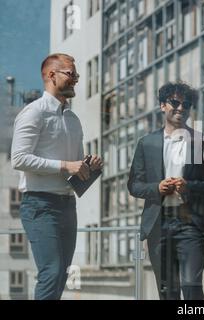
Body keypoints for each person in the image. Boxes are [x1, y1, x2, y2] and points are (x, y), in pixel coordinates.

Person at [10, 53, 103, 300]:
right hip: (39, 205)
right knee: (51, 272)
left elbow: (76, 166)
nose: (75, 80)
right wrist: (65, 165)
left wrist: (88, 165)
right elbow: (19, 158)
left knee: (62, 273)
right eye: (71, 74)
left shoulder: (73, 120)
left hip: (67, 205)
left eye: (76, 75)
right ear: (52, 75)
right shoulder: (34, 113)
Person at [127, 81, 204, 300]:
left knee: (191, 287)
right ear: (162, 105)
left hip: (190, 223)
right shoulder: (146, 143)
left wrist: (189, 187)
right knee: (167, 291)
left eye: (187, 104)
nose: (181, 108)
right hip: (158, 225)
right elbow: (134, 184)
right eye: (175, 102)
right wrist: (157, 188)